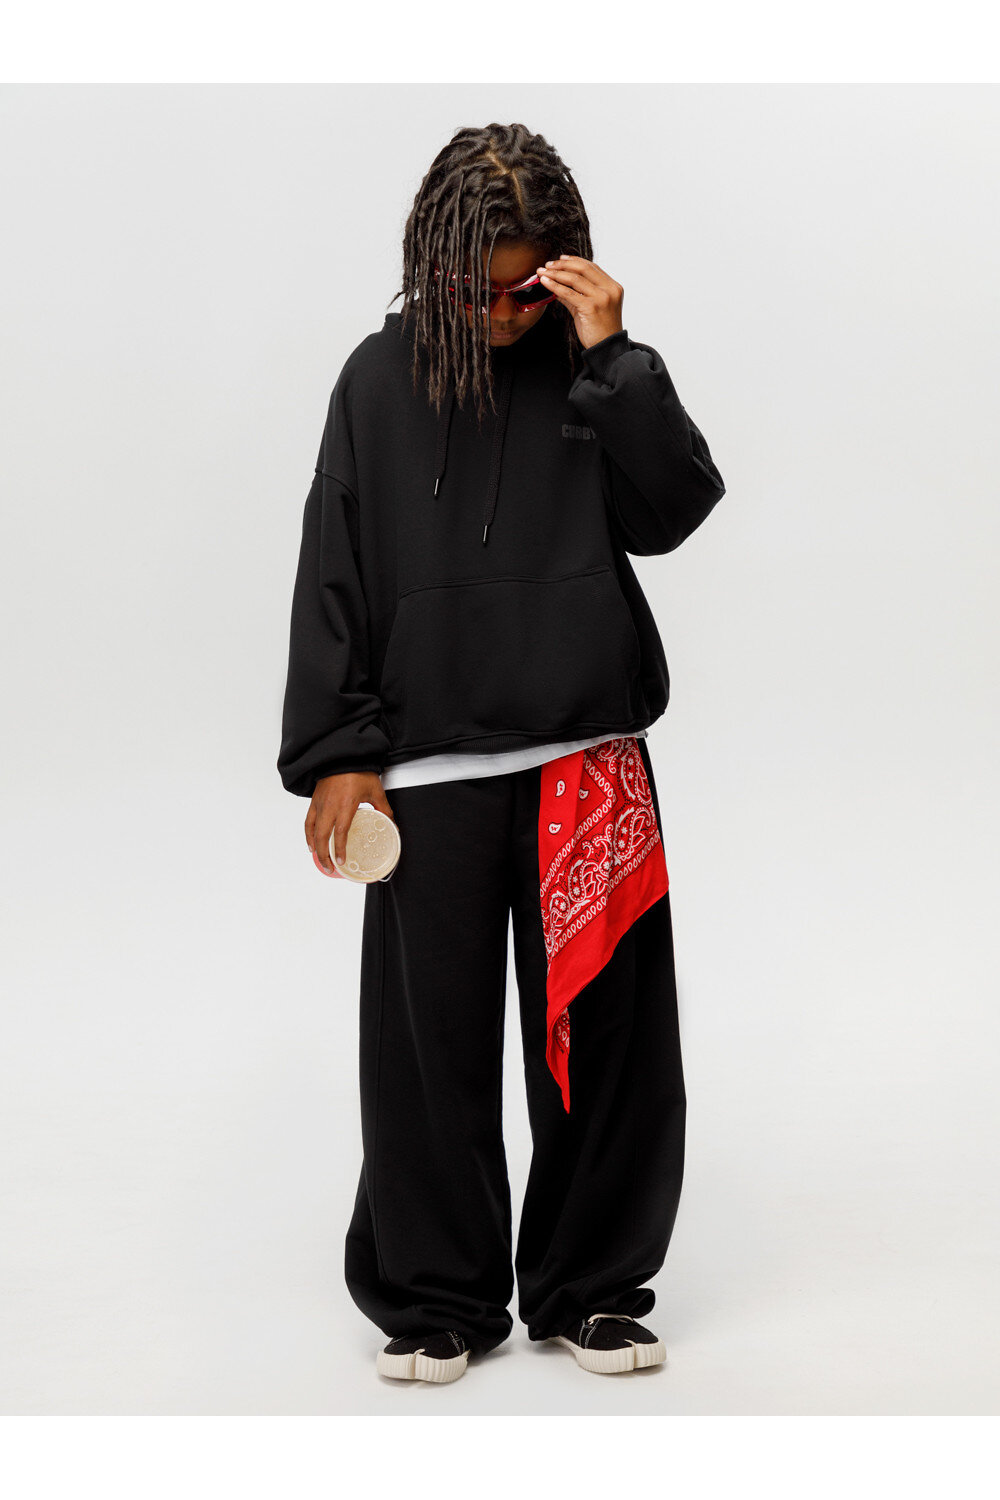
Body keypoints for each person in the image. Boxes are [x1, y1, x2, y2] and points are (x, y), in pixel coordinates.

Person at [276, 121, 726, 1383]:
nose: (503, 313)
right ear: (431, 264)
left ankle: (593, 1288)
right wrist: (338, 750)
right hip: (429, 768)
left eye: (529, 289)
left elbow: (673, 512)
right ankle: (437, 1298)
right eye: (479, 290)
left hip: (588, 754)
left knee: (608, 1043)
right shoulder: (376, 381)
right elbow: (334, 564)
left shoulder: (593, 371)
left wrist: (614, 357)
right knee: (429, 1054)